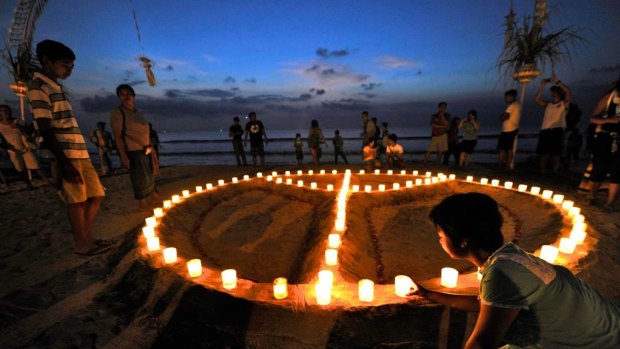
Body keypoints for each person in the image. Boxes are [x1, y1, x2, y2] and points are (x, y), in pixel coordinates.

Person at [409, 193, 620, 348]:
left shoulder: (501, 275)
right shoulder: (510, 257)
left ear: (464, 241)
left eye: (441, 235)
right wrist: (429, 294)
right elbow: (485, 304)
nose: (439, 240)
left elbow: (483, 342)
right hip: (606, 326)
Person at [27, 40, 110, 256]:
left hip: (79, 152)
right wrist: (64, 163)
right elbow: (45, 128)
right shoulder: (38, 88)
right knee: (77, 200)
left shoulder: (57, 88)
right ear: (47, 61)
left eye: (72, 66)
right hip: (66, 154)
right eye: (65, 64)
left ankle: (86, 237)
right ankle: (81, 243)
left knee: (97, 195)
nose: (69, 69)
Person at [110, 84, 160, 210]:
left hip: (146, 148)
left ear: (134, 95)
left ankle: (154, 196)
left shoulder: (138, 112)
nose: (126, 96)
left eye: (129, 93)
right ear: (119, 97)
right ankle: (142, 203)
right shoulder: (119, 112)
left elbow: (146, 133)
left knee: (149, 174)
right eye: (123, 94)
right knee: (138, 177)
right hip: (133, 150)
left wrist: (152, 151)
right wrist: (123, 156)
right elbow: (118, 136)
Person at [588, 79, 620, 212]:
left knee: (617, 171)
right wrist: (609, 120)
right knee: (599, 168)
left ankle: (610, 202)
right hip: (605, 138)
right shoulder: (609, 97)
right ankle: (591, 195)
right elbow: (592, 118)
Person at [0, 104, 44, 188]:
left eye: (6, 110)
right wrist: (6, 146)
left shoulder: (17, 121)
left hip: (26, 147)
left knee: (36, 165)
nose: (5, 112)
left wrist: (19, 127)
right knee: (20, 168)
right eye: (3, 111)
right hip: (13, 150)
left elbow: (29, 131)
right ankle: (28, 184)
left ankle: (47, 180)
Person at [535, 77, 572, 174]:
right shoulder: (548, 104)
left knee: (556, 152)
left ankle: (555, 171)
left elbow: (568, 92)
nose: (553, 93)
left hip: (557, 130)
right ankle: (542, 171)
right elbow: (537, 100)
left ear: (560, 93)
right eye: (552, 91)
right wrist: (542, 85)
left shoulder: (564, 104)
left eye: (556, 91)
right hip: (545, 130)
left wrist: (558, 82)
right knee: (543, 152)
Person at [498, 89, 521, 169]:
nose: (505, 98)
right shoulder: (516, 105)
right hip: (511, 129)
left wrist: (502, 116)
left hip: (509, 130)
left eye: (506, 97)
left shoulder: (513, 105)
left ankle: (504, 165)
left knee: (505, 148)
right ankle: (505, 165)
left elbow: (504, 117)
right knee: (507, 148)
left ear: (512, 97)